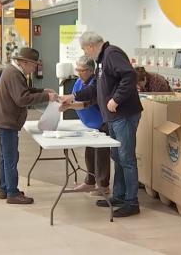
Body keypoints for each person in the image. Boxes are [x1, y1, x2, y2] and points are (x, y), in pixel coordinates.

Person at [60, 32, 143, 217]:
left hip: (124, 115)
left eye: (84, 49)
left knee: (126, 158)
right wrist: (73, 96)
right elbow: (95, 88)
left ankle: (132, 201)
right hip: (113, 118)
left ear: (90, 46)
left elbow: (130, 76)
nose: (85, 53)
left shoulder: (112, 54)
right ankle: (120, 195)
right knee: (117, 156)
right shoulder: (102, 60)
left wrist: (116, 99)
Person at [0, 47, 58, 205]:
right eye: (33, 65)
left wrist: (42, 91)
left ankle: (5, 189)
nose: (34, 68)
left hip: (3, 120)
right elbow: (22, 98)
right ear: (24, 62)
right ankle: (12, 193)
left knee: (4, 157)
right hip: (7, 122)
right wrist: (46, 96)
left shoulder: (13, 72)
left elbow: (24, 90)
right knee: (10, 158)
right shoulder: (14, 74)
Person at [59, 55, 111, 196]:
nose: (78, 72)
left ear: (89, 70)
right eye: (76, 69)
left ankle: (103, 186)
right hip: (90, 125)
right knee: (90, 153)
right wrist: (66, 104)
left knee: (101, 155)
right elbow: (77, 99)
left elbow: (86, 102)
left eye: (80, 70)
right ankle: (90, 182)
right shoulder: (79, 82)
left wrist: (70, 105)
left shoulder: (97, 84)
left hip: (102, 123)